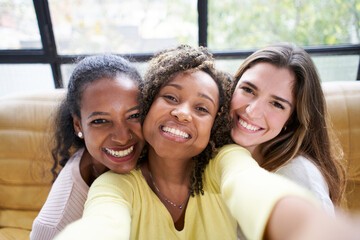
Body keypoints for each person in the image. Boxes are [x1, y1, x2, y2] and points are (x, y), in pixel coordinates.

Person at [53, 45, 360, 240]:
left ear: (215, 123)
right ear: (145, 108)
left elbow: (255, 189)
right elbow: (102, 224)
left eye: (202, 108)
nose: (183, 113)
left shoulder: (227, 161)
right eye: (170, 97)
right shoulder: (115, 185)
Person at [30, 54, 145, 239]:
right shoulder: (53, 227)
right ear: (78, 125)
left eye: (134, 115)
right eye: (100, 121)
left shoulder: (156, 150)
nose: (123, 137)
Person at [230, 43, 346, 214]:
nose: (252, 112)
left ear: (292, 119)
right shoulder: (219, 151)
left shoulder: (298, 179)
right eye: (248, 90)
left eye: (276, 104)